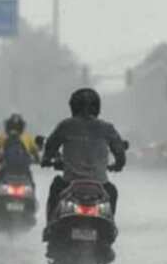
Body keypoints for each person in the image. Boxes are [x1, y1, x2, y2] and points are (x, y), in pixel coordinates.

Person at [41, 88, 126, 228]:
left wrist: (46, 159)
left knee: (55, 188)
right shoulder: (107, 128)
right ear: (97, 107)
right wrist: (118, 165)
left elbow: (50, 146)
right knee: (112, 191)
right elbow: (120, 152)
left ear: (73, 106)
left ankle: (50, 227)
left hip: (69, 183)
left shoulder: (66, 126)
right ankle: (109, 227)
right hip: (100, 184)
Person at [0, 114, 40, 189]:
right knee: (31, 184)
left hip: (6, 168)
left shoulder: (2, 136)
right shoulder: (28, 137)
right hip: (24, 170)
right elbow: (35, 152)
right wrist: (37, 160)